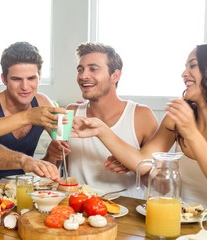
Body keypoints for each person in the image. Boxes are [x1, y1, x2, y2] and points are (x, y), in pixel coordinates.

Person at [72, 43, 207, 205]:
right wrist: (100, 129)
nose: (184, 74)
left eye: (192, 66)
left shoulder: (185, 123)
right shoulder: (177, 118)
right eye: (185, 67)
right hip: (181, 218)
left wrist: (192, 134)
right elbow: (142, 163)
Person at [64, 42, 158, 199]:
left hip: (127, 213)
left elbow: (158, 185)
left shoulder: (141, 116)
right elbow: (59, 170)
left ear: (115, 75)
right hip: (79, 211)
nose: (83, 76)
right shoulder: (71, 113)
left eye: (93, 69)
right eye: (80, 70)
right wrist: (53, 153)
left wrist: (132, 165)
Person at [0, 41, 64, 188]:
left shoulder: (43, 102)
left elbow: (64, 143)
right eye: (16, 79)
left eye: (31, 78)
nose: (25, 87)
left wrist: (52, 154)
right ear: (4, 79)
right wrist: (24, 160)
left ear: (39, 77)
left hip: (22, 193)